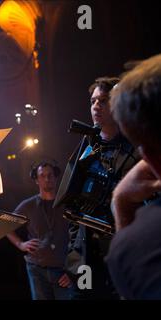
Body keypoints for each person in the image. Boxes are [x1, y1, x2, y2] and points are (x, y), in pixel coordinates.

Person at [64, 77, 139, 299]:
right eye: (93, 101)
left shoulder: (135, 150)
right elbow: (71, 199)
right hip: (85, 252)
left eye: (103, 101)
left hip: (120, 248)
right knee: (82, 295)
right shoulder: (86, 146)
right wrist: (73, 253)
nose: (96, 106)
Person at [105, 53, 161, 299]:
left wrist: (121, 202)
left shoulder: (137, 247)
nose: (96, 106)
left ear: (146, 156)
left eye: (101, 101)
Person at [7, 162, 72, 300]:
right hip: (37, 269)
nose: (47, 179)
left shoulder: (68, 204)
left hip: (64, 269)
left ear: (56, 178)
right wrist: (21, 244)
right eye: (42, 176)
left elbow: (80, 238)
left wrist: (74, 271)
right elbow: (6, 225)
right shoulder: (28, 205)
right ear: (36, 180)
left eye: (50, 175)